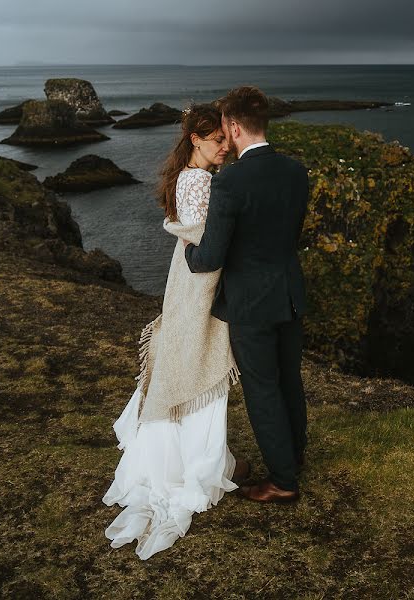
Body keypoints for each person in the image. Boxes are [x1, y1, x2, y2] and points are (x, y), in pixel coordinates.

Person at [102, 103, 245, 560]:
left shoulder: (187, 176)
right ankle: (194, 464)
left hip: (186, 279)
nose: (225, 147)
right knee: (201, 354)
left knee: (190, 354)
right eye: (217, 139)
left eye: (227, 138)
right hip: (200, 282)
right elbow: (210, 241)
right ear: (196, 140)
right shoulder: (200, 181)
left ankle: (188, 455)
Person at [184, 86, 309, 503]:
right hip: (290, 293)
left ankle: (283, 481)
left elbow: (210, 257)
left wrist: (186, 247)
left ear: (234, 127)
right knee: (289, 379)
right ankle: (295, 456)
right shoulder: (296, 171)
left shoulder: (230, 180)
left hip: (251, 303)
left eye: (224, 128)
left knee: (262, 388)